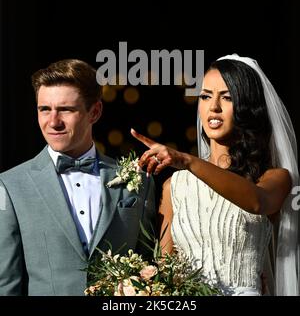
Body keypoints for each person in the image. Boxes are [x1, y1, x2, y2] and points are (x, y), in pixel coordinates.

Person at [131, 54, 299, 296]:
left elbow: (257, 201)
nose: (214, 107)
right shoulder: (175, 185)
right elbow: (165, 271)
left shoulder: (274, 177)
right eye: (206, 96)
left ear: (248, 108)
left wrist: (187, 160)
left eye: (227, 97)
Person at [0, 59, 156, 296]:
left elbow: (149, 271)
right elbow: (7, 284)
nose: (53, 122)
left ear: (94, 111)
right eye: (44, 109)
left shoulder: (138, 180)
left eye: (66, 109)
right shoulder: (10, 185)